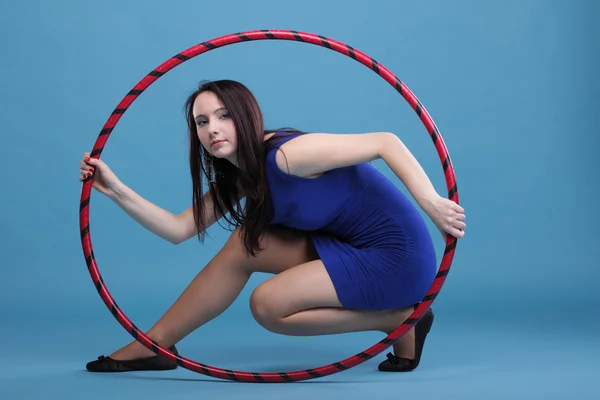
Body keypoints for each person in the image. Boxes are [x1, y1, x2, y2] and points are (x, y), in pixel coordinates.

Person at [81, 79, 466, 373]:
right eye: (202, 122)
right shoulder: (238, 177)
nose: (212, 128)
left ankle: (398, 318)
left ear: (246, 116)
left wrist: (431, 202)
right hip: (350, 247)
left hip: (396, 258)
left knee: (267, 305)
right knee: (247, 241)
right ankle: (157, 344)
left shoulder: (286, 155)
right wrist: (115, 190)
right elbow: (179, 228)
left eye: (223, 115)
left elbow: (386, 142)